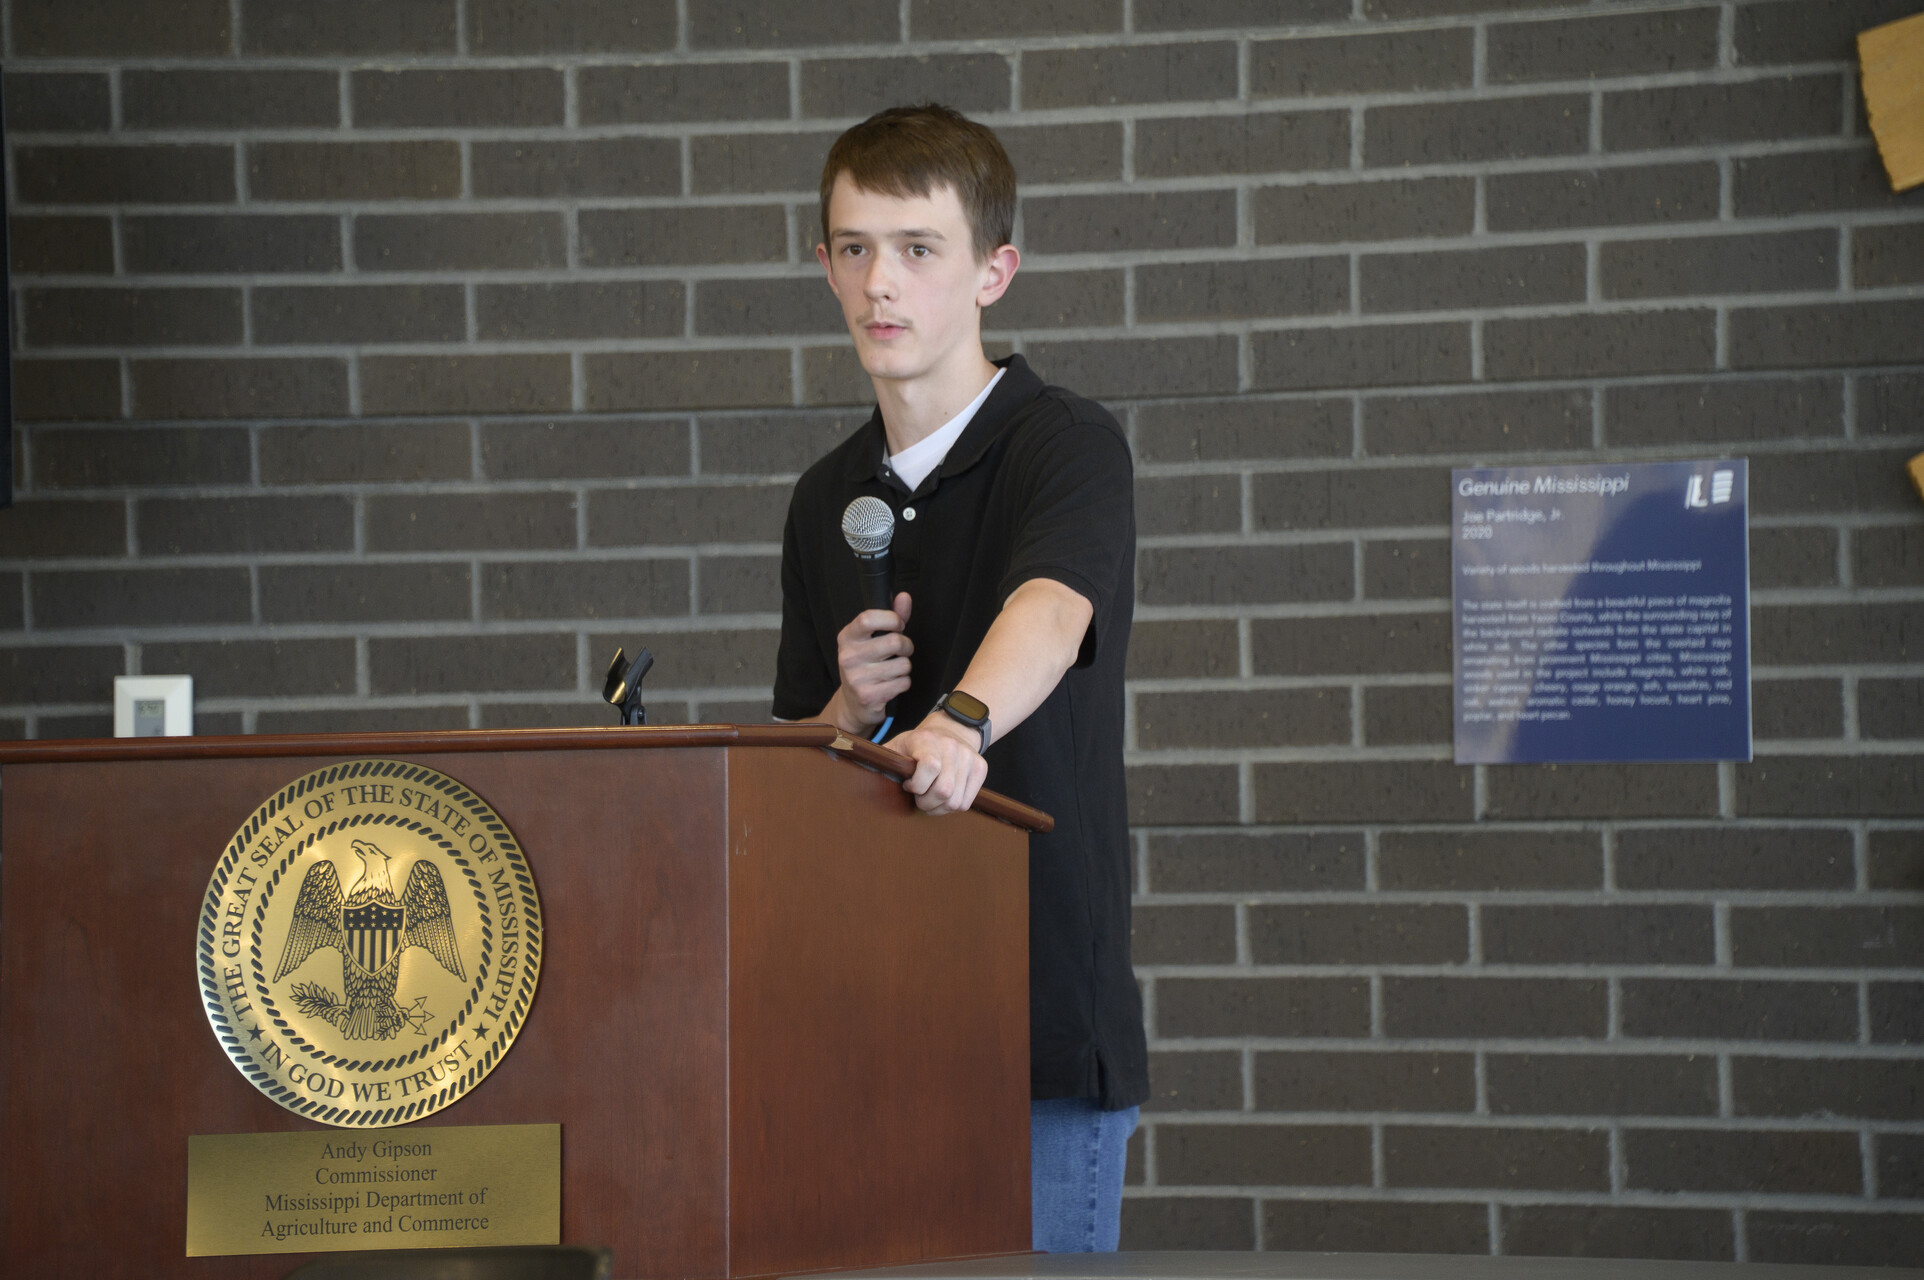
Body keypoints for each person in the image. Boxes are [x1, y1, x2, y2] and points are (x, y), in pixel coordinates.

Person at [771, 104, 1148, 1252]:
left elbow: (1050, 609)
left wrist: (956, 723)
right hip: (860, 1036)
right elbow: (798, 765)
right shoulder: (822, 495)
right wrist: (840, 712)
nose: (880, 283)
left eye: (918, 249)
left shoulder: (1063, 445)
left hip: (1029, 1032)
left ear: (995, 270)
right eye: (853, 247)